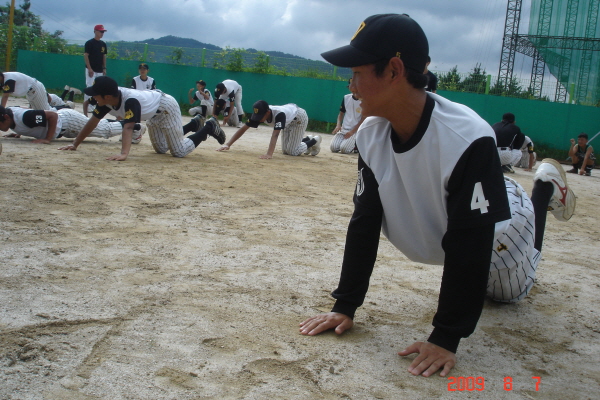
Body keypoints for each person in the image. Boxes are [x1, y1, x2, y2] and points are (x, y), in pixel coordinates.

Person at [299, 13, 576, 378]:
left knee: (506, 295)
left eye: (357, 73)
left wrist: (446, 336)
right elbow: (364, 220)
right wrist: (345, 305)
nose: (351, 86)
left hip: (502, 229)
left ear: (394, 70)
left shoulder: (467, 137)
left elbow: (472, 244)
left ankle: (543, 190)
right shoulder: (370, 134)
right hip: (458, 227)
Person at [58, 76, 225, 160]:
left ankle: (208, 127)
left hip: (167, 108)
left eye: (96, 95)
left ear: (107, 96)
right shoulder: (106, 101)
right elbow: (92, 122)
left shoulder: (129, 101)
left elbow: (128, 127)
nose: (93, 98)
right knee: (161, 149)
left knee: (178, 152)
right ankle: (193, 123)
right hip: (153, 114)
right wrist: (75, 144)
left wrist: (124, 154)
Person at [216, 100, 321, 159]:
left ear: (268, 112)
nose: (259, 118)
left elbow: (275, 134)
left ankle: (314, 140)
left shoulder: (279, 114)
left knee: (292, 151)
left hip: (298, 118)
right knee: (285, 151)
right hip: (288, 119)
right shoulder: (259, 114)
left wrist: (269, 154)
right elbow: (243, 129)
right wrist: (228, 144)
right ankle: (307, 139)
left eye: (261, 115)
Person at [0, 105, 138, 144]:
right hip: (64, 123)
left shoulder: (23, 117)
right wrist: (19, 131)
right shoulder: (12, 115)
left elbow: (52, 115)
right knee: (101, 125)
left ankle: (135, 127)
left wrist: (48, 139)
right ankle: (128, 125)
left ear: (6, 117)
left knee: (104, 130)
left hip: (68, 121)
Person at [330, 78, 364, 154]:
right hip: (344, 129)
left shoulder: (364, 100)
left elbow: (363, 119)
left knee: (344, 149)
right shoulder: (346, 97)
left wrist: (352, 132)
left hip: (355, 131)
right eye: (351, 86)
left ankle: (356, 145)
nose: (352, 88)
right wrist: (338, 125)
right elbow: (341, 114)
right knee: (333, 148)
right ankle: (349, 143)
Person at [83, 24, 108, 117]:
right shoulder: (89, 43)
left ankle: (97, 104)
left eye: (103, 32)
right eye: (101, 31)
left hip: (99, 69)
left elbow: (104, 56)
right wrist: (89, 68)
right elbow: (86, 55)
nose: (102, 33)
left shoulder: (103, 44)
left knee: (99, 88)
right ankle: (88, 105)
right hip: (91, 69)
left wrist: (104, 68)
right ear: (95, 31)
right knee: (90, 86)